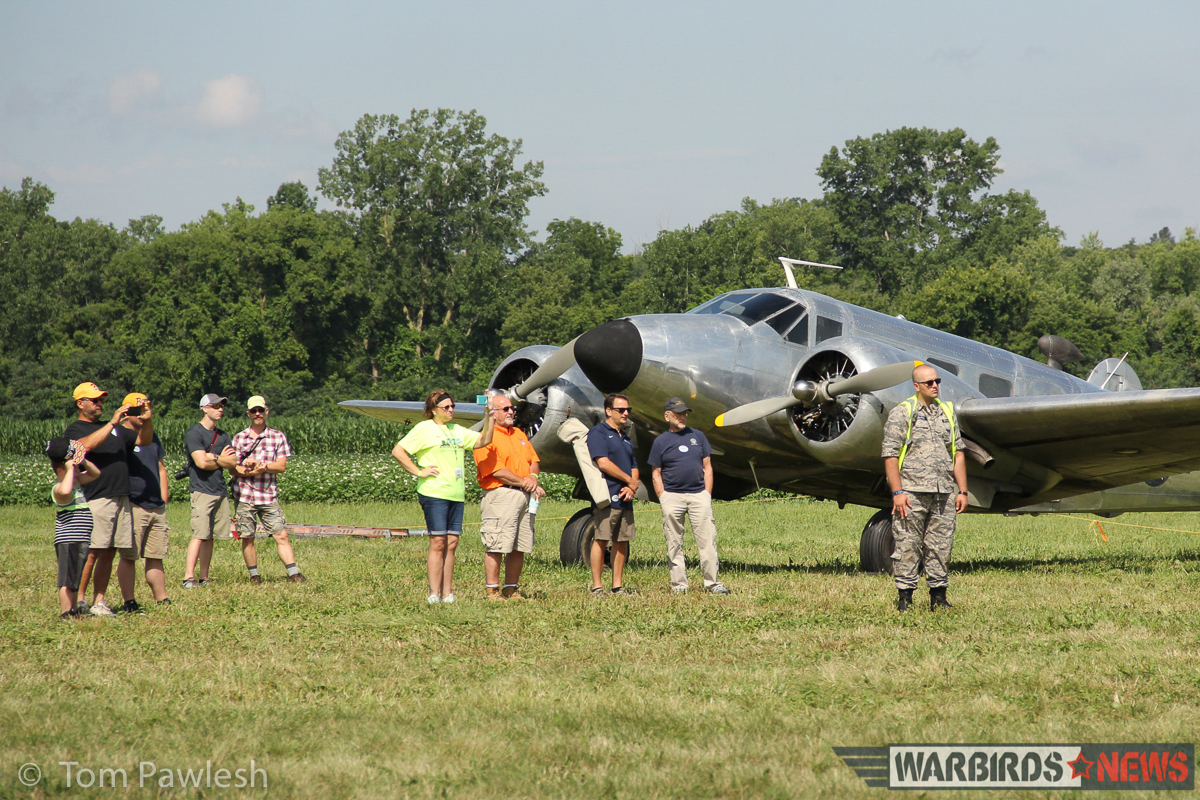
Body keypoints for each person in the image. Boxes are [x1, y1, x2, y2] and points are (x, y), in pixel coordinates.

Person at [392, 390, 494, 605]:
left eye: (452, 406)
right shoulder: (423, 429)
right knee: (438, 542)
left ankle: (448, 593)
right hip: (434, 493)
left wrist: (490, 415)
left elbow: (484, 440)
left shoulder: (456, 430)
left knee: (452, 542)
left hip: (455, 494)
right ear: (433, 410)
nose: (451, 410)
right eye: (446, 407)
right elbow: (398, 451)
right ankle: (433, 592)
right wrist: (419, 471)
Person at [881, 364, 968, 612]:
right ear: (916, 386)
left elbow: (958, 453)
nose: (935, 385)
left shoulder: (947, 412)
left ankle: (938, 598)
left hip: (944, 493)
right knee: (907, 545)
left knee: (941, 547)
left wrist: (962, 490)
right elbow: (889, 455)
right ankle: (905, 599)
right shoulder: (903, 413)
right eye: (929, 382)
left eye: (937, 381)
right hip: (911, 492)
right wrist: (897, 493)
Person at [65, 381, 154, 616]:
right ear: (80, 404)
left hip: (121, 496)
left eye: (101, 399)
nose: (100, 404)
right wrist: (113, 422)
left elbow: (143, 441)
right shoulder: (76, 429)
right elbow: (81, 448)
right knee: (92, 550)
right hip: (97, 497)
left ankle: (99, 601)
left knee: (110, 551)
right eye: (94, 400)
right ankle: (79, 600)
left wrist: (146, 420)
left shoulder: (114, 429)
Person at [649, 397, 730, 595]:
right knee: (674, 542)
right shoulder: (660, 442)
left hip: (698, 496)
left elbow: (708, 467)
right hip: (672, 498)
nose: (683, 417)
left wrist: (706, 494)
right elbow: (655, 473)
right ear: (667, 416)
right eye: (678, 413)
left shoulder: (698, 436)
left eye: (684, 413)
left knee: (707, 541)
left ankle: (713, 583)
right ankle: (679, 585)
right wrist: (664, 497)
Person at [473, 394, 545, 600]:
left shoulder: (519, 434)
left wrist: (532, 477)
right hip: (500, 494)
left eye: (511, 408)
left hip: (524, 495)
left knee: (519, 545)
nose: (511, 411)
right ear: (492, 413)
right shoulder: (485, 437)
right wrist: (524, 482)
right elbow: (495, 471)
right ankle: (492, 591)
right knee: (496, 544)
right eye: (505, 409)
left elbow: (534, 461)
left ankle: (511, 589)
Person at [230, 395, 304, 584]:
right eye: (253, 411)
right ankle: (254, 575)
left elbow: (281, 466)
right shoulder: (239, 438)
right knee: (248, 537)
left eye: (260, 410)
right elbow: (233, 467)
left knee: (281, 534)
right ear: (248, 414)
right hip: (245, 495)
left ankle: (293, 573)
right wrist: (248, 470)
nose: (257, 414)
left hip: (268, 494)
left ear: (266, 412)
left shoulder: (277, 436)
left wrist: (262, 466)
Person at [182, 393, 238, 589]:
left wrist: (212, 458)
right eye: (215, 406)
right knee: (199, 534)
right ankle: (188, 577)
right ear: (204, 408)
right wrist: (219, 458)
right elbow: (200, 462)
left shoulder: (224, 436)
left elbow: (232, 462)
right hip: (201, 490)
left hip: (220, 490)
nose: (220, 409)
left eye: (222, 406)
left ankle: (204, 577)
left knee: (210, 536)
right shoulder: (194, 433)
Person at [121, 392, 171, 606]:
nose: (142, 414)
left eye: (146, 408)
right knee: (129, 556)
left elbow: (161, 468)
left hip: (155, 506)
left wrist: (163, 498)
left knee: (156, 555)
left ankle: (162, 598)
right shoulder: (121, 435)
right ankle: (129, 600)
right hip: (134, 504)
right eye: (137, 409)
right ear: (126, 411)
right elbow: (137, 441)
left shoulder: (152, 436)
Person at [586, 393, 639, 596]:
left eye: (628, 410)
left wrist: (631, 487)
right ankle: (597, 586)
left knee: (622, 540)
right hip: (607, 496)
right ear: (609, 411)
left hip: (626, 496)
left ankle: (617, 586)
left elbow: (634, 465)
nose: (626, 413)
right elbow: (603, 463)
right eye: (621, 410)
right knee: (601, 538)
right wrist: (629, 481)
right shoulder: (598, 433)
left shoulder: (625, 437)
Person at [47, 438, 100, 620]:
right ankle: (65, 612)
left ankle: (73, 610)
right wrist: (71, 470)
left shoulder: (75, 483)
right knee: (67, 579)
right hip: (68, 540)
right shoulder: (59, 489)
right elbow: (65, 491)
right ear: (61, 470)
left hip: (81, 538)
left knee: (74, 578)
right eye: (73, 468)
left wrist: (82, 460)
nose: (78, 471)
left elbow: (95, 474)